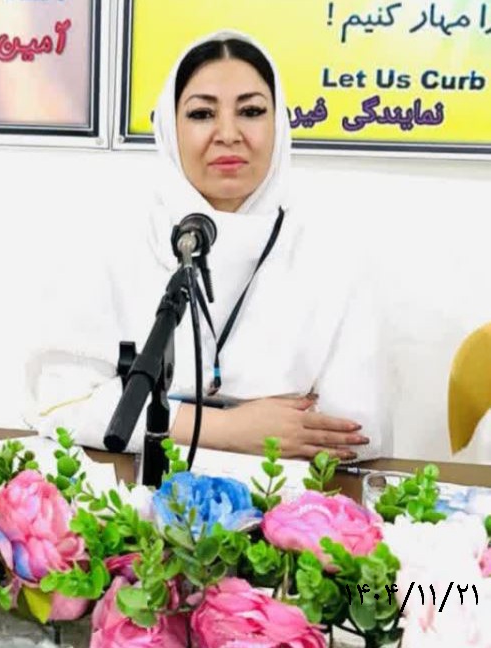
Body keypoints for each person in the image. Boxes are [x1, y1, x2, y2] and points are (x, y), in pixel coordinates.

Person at [24, 30, 390, 461]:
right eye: (202, 114)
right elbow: (61, 402)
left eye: (251, 111)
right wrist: (233, 428)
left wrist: (156, 414)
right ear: (170, 126)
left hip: (282, 492)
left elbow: (354, 431)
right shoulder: (111, 241)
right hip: (135, 489)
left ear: (279, 125)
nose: (228, 134)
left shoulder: (333, 257)